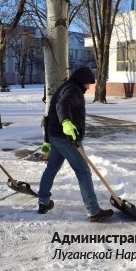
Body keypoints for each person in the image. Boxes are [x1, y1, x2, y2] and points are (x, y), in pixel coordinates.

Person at [38, 67, 114, 222]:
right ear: (80, 80)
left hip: (56, 136)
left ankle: (43, 202)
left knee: (51, 169)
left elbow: (52, 112)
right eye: (87, 83)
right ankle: (93, 210)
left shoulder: (65, 87)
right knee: (83, 172)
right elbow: (62, 106)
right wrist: (66, 121)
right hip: (67, 138)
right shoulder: (73, 90)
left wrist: (47, 139)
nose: (88, 87)